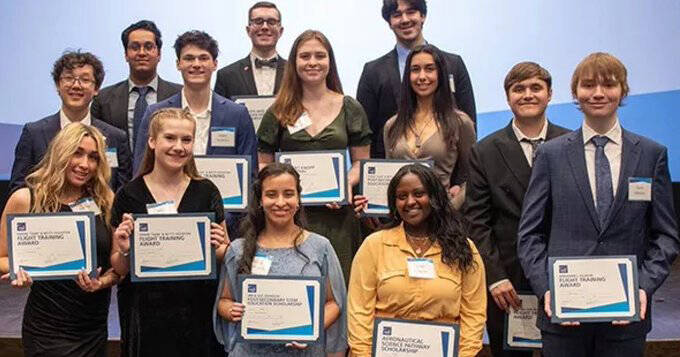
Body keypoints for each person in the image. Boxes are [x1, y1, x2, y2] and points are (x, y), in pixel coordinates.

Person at [517, 52, 679, 357]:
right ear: (575, 93)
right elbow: (529, 234)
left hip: (627, 319)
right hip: (564, 318)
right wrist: (546, 288)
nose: (598, 93)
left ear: (624, 91)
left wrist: (643, 287)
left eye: (609, 84)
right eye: (588, 85)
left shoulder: (650, 154)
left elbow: (666, 235)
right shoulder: (550, 155)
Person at [464, 62, 569, 357]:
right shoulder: (484, 151)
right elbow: (477, 221)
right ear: (508, 97)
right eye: (518, 89)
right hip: (507, 283)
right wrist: (494, 276)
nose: (527, 95)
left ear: (550, 94)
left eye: (536, 88)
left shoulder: (573, 144)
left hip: (563, 275)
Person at [110, 108, 229, 357]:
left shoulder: (207, 191)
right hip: (145, 315)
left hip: (197, 312)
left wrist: (220, 247)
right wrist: (123, 250)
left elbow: (223, 253)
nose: (179, 147)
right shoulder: (129, 194)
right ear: (152, 141)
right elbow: (120, 268)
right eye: (170, 138)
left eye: (186, 140)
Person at [257, 30, 372, 282]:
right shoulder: (278, 110)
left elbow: (362, 162)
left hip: (337, 217)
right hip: (290, 216)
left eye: (320, 56)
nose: (312, 62)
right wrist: (280, 194)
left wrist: (344, 185)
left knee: (338, 287)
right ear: (294, 62)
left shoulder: (349, 107)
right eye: (305, 56)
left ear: (330, 61)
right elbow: (263, 162)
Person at [0, 123, 119, 357]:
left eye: (93, 157)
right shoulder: (26, 199)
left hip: (93, 327)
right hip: (47, 327)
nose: (85, 164)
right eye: (77, 153)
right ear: (60, 152)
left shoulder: (106, 201)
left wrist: (101, 283)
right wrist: (21, 270)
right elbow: (0, 258)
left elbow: (117, 269)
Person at [348, 164, 486, 357]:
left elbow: (474, 313)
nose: (410, 202)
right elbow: (359, 310)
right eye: (402, 196)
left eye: (419, 194)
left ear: (435, 197)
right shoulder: (374, 245)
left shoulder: (464, 248)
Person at [214, 162, 347, 356]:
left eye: (288, 194)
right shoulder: (238, 249)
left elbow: (334, 303)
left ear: (299, 198)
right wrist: (230, 310)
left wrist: (311, 330)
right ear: (260, 200)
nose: (280, 202)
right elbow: (223, 301)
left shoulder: (320, 247)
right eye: (271, 194)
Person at [357, 0, 476, 159]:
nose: (405, 19)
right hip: (389, 174)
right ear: (389, 22)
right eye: (397, 15)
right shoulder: (373, 72)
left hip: (446, 176)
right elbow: (365, 135)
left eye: (411, 12)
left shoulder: (453, 64)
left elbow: (469, 126)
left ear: (423, 16)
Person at [132, 30, 257, 175]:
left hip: (224, 197)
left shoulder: (237, 114)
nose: (196, 64)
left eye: (203, 58)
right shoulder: (155, 113)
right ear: (178, 64)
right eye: (189, 58)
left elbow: (250, 173)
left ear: (215, 64)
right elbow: (141, 169)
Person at [10, 51, 132, 193]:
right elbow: (19, 186)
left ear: (96, 89)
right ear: (57, 85)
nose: (76, 85)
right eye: (68, 78)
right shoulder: (33, 133)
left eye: (85, 80)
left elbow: (122, 191)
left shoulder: (115, 137)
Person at [382, 44, 475, 209]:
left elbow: (473, 177)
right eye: (415, 69)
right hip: (403, 219)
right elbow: (390, 181)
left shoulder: (460, 122)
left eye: (430, 69)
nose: (422, 76)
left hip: (444, 221)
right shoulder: (392, 125)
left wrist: (451, 208)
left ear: (441, 74)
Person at [91, 20, 182, 151]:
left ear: (159, 54)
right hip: (118, 170)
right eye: (135, 47)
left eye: (149, 47)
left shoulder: (179, 95)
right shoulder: (103, 99)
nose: (142, 53)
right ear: (126, 55)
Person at [214, 1, 287, 99]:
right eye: (258, 21)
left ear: (281, 31)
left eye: (271, 22)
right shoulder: (226, 75)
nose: (265, 27)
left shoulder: (295, 72)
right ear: (248, 30)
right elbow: (220, 112)